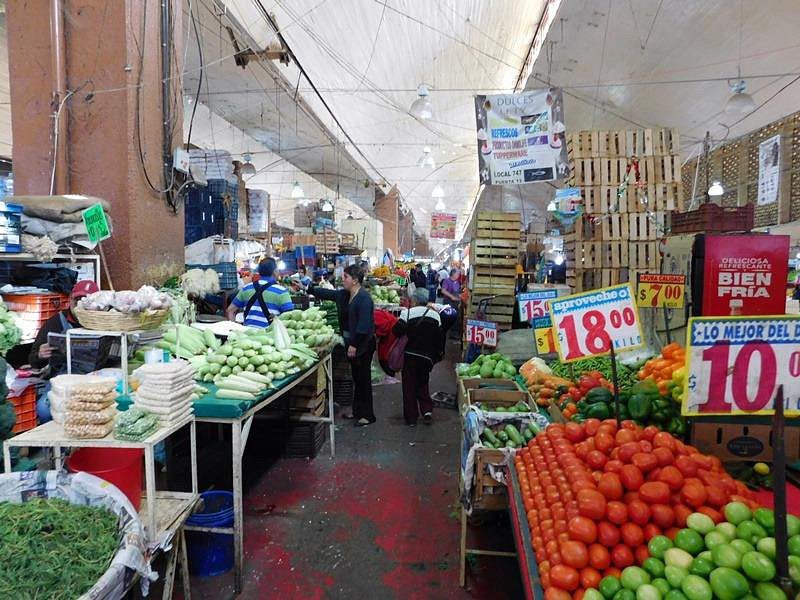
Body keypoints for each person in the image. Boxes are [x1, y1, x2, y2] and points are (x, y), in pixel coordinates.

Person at [309, 264, 376, 426]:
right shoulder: (345, 295)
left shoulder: (364, 299)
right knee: (356, 378)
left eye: (345, 277)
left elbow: (364, 326)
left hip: (363, 344)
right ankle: (357, 411)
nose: (342, 279)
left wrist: (354, 345)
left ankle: (368, 415)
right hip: (350, 342)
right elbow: (328, 294)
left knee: (363, 379)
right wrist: (310, 289)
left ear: (355, 280)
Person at [392, 288, 442, 426]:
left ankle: (411, 418)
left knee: (409, 386)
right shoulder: (436, 316)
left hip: (410, 356)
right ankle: (427, 410)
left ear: (414, 301)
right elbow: (439, 338)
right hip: (427, 357)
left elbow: (396, 331)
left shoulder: (407, 314)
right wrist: (436, 356)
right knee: (423, 382)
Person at [29, 280, 100, 374]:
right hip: (63, 378)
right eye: (77, 300)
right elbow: (33, 361)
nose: (80, 306)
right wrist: (40, 355)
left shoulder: (105, 322)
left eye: (87, 303)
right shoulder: (55, 323)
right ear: (70, 299)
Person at [226, 258, 294, 327]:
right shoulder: (281, 291)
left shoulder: (246, 288)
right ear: (275, 271)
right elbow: (290, 318)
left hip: (247, 336)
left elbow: (230, 310)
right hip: (271, 336)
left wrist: (234, 329)